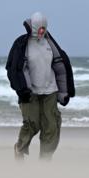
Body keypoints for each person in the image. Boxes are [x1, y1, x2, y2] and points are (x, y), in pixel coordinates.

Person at [6, 12, 75, 160]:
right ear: (33, 26)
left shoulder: (50, 43)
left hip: (50, 90)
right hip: (30, 92)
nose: (42, 31)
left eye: (44, 27)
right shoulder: (22, 44)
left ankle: (45, 159)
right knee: (32, 124)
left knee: (52, 125)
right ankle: (19, 149)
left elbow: (61, 68)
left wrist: (64, 92)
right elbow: (13, 68)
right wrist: (21, 89)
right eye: (39, 27)